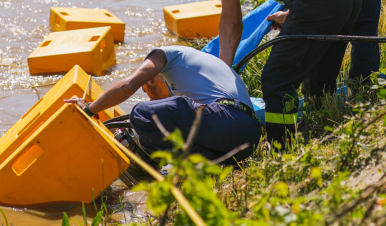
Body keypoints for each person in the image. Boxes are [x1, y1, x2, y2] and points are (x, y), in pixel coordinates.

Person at [195, 0, 361, 146]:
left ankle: (282, 148)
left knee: (276, 79)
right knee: (320, 74)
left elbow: (232, 21)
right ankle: (322, 134)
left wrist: (224, 71)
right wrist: (291, 14)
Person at [65, 45, 260, 164]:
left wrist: (89, 108)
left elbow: (128, 85)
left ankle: (193, 165)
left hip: (229, 119)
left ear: (149, 80)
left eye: (149, 91)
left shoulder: (164, 55)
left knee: (141, 113)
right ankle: (209, 163)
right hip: (247, 136)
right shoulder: (193, 75)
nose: (151, 99)